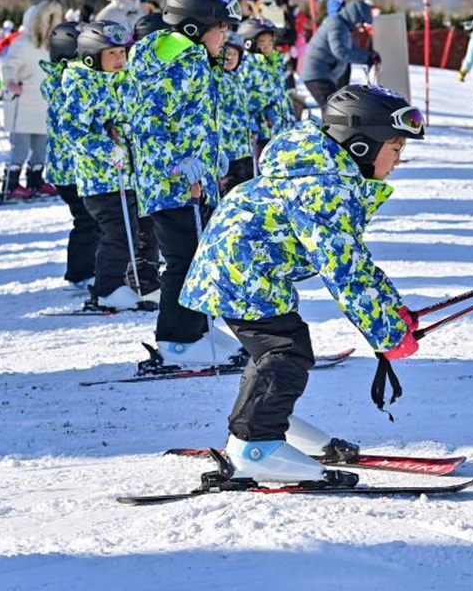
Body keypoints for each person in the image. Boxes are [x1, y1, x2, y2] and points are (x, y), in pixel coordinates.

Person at [180, 84, 423, 484]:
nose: (399, 161)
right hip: (242, 272)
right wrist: (387, 333)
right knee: (284, 352)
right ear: (361, 146)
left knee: (274, 349)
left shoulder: (327, 172)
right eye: (395, 149)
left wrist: (394, 311)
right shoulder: (324, 188)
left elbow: (355, 259)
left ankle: (273, 424)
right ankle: (255, 444)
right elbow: (343, 272)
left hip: (245, 269)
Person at [125, 0, 238, 367]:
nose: (225, 35)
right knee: (183, 259)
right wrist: (175, 163)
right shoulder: (173, 62)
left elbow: (192, 119)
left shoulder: (191, 59)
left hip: (191, 181)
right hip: (171, 184)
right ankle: (176, 339)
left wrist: (211, 158)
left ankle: (197, 328)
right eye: (220, 27)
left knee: (198, 256)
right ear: (194, 27)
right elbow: (146, 120)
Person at [59, 20, 161, 310]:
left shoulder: (123, 80)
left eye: (122, 53)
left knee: (138, 230)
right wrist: (106, 148)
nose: (119, 60)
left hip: (129, 174)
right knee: (117, 231)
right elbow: (72, 130)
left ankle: (140, 283)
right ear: (92, 56)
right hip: (101, 178)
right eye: (111, 54)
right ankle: (107, 288)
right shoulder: (82, 85)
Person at [41, 21, 100, 291]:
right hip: (70, 169)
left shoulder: (64, 80)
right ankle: (80, 274)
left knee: (93, 220)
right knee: (88, 220)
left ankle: (93, 268)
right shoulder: (65, 84)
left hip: (72, 168)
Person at [2, 0, 64, 200]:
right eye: (48, 20)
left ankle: (36, 181)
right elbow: (9, 66)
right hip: (22, 101)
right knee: (19, 147)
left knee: (41, 147)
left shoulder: (51, 46)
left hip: (43, 104)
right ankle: (10, 185)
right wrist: (11, 82)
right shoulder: (22, 43)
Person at [300, 0, 376, 112]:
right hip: (317, 74)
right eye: (361, 22)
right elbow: (340, 51)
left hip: (325, 75)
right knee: (333, 111)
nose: (360, 26)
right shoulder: (337, 25)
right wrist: (367, 58)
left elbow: (352, 49)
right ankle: (329, 129)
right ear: (355, 17)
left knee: (335, 110)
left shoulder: (343, 26)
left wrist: (368, 56)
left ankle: (331, 129)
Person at [238, 17, 292, 149]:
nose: (267, 46)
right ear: (249, 43)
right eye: (262, 42)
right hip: (263, 130)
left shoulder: (274, 62)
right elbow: (244, 97)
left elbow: (281, 93)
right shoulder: (248, 66)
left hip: (281, 126)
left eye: (270, 42)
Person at [217, 33, 255, 191]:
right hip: (228, 151)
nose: (230, 58)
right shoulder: (217, 79)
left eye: (234, 54)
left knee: (248, 188)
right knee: (232, 191)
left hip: (243, 148)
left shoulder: (237, 78)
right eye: (226, 54)